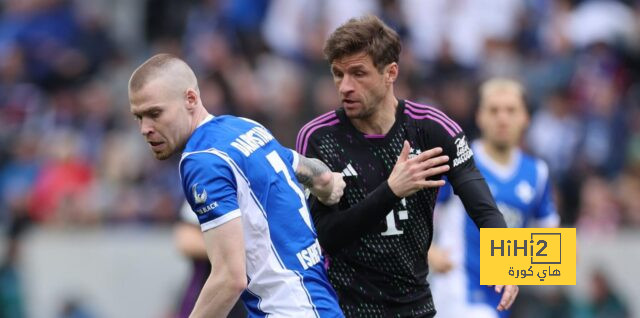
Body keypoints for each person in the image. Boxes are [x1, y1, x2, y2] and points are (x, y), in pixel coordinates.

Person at [296, 15, 518, 317]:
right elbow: (324, 237)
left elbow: (481, 202)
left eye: (358, 73)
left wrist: (508, 263)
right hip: (342, 306)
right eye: (338, 74)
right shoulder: (319, 137)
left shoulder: (433, 130)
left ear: (391, 73)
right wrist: (391, 190)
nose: (345, 86)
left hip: (418, 303)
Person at [128, 53, 348, 317]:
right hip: (320, 305)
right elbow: (319, 175)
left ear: (190, 99)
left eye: (155, 113)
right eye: (139, 117)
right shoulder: (244, 127)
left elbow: (229, 279)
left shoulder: (200, 161)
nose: (145, 128)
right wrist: (329, 188)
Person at [429, 78, 560, 318]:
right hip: (457, 292)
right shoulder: (460, 161)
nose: (502, 118)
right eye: (494, 110)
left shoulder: (537, 173)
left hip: (501, 297)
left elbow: (552, 248)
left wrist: (554, 257)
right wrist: (429, 251)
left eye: (511, 110)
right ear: (480, 117)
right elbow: (418, 213)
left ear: (525, 118)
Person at [174, 201, 247, 318]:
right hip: (215, 295)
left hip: (262, 298)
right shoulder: (213, 185)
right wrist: (237, 249)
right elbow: (186, 240)